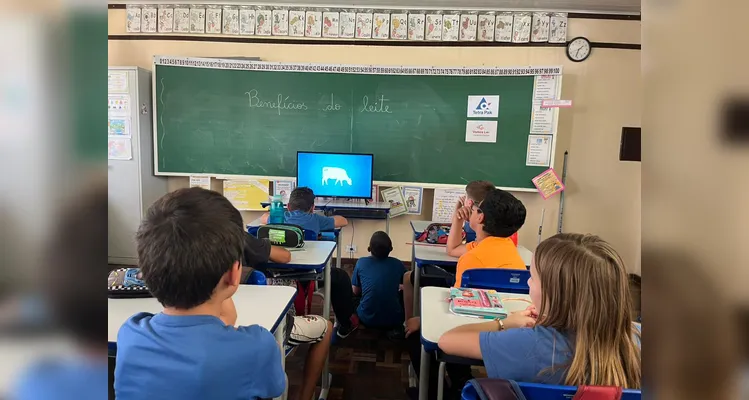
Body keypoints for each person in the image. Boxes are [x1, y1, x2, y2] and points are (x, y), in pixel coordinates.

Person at [115, 188, 332, 400]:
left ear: (146, 272)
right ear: (234, 274)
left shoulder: (130, 333)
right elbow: (275, 388)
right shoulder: (257, 345)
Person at [439, 233, 642, 388]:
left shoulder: (530, 344)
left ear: (555, 294)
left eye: (533, 277)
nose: (527, 281)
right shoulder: (638, 341)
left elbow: (447, 340)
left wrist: (506, 322)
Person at [403, 187, 527, 320]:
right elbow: (453, 249)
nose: (470, 210)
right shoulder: (507, 246)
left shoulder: (471, 258)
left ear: (480, 217)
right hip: (510, 322)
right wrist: (458, 219)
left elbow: (458, 307)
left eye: (474, 208)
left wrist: (421, 321)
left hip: (476, 326)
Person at [262, 186, 358, 339]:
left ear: (288, 206)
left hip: (277, 275)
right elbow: (343, 221)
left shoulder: (278, 218)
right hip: (310, 276)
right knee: (340, 276)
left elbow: (263, 218)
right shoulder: (315, 219)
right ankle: (346, 324)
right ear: (312, 208)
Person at [351, 231, 406, 329]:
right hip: (395, 319)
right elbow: (405, 287)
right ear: (391, 249)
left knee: (353, 297)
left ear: (369, 249)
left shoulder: (361, 262)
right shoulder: (398, 264)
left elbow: (355, 291)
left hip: (367, 319)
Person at [448, 180, 495, 255]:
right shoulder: (495, 217)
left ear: (469, 203)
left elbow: (452, 250)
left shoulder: (478, 224)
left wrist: (459, 215)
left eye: (465, 197)